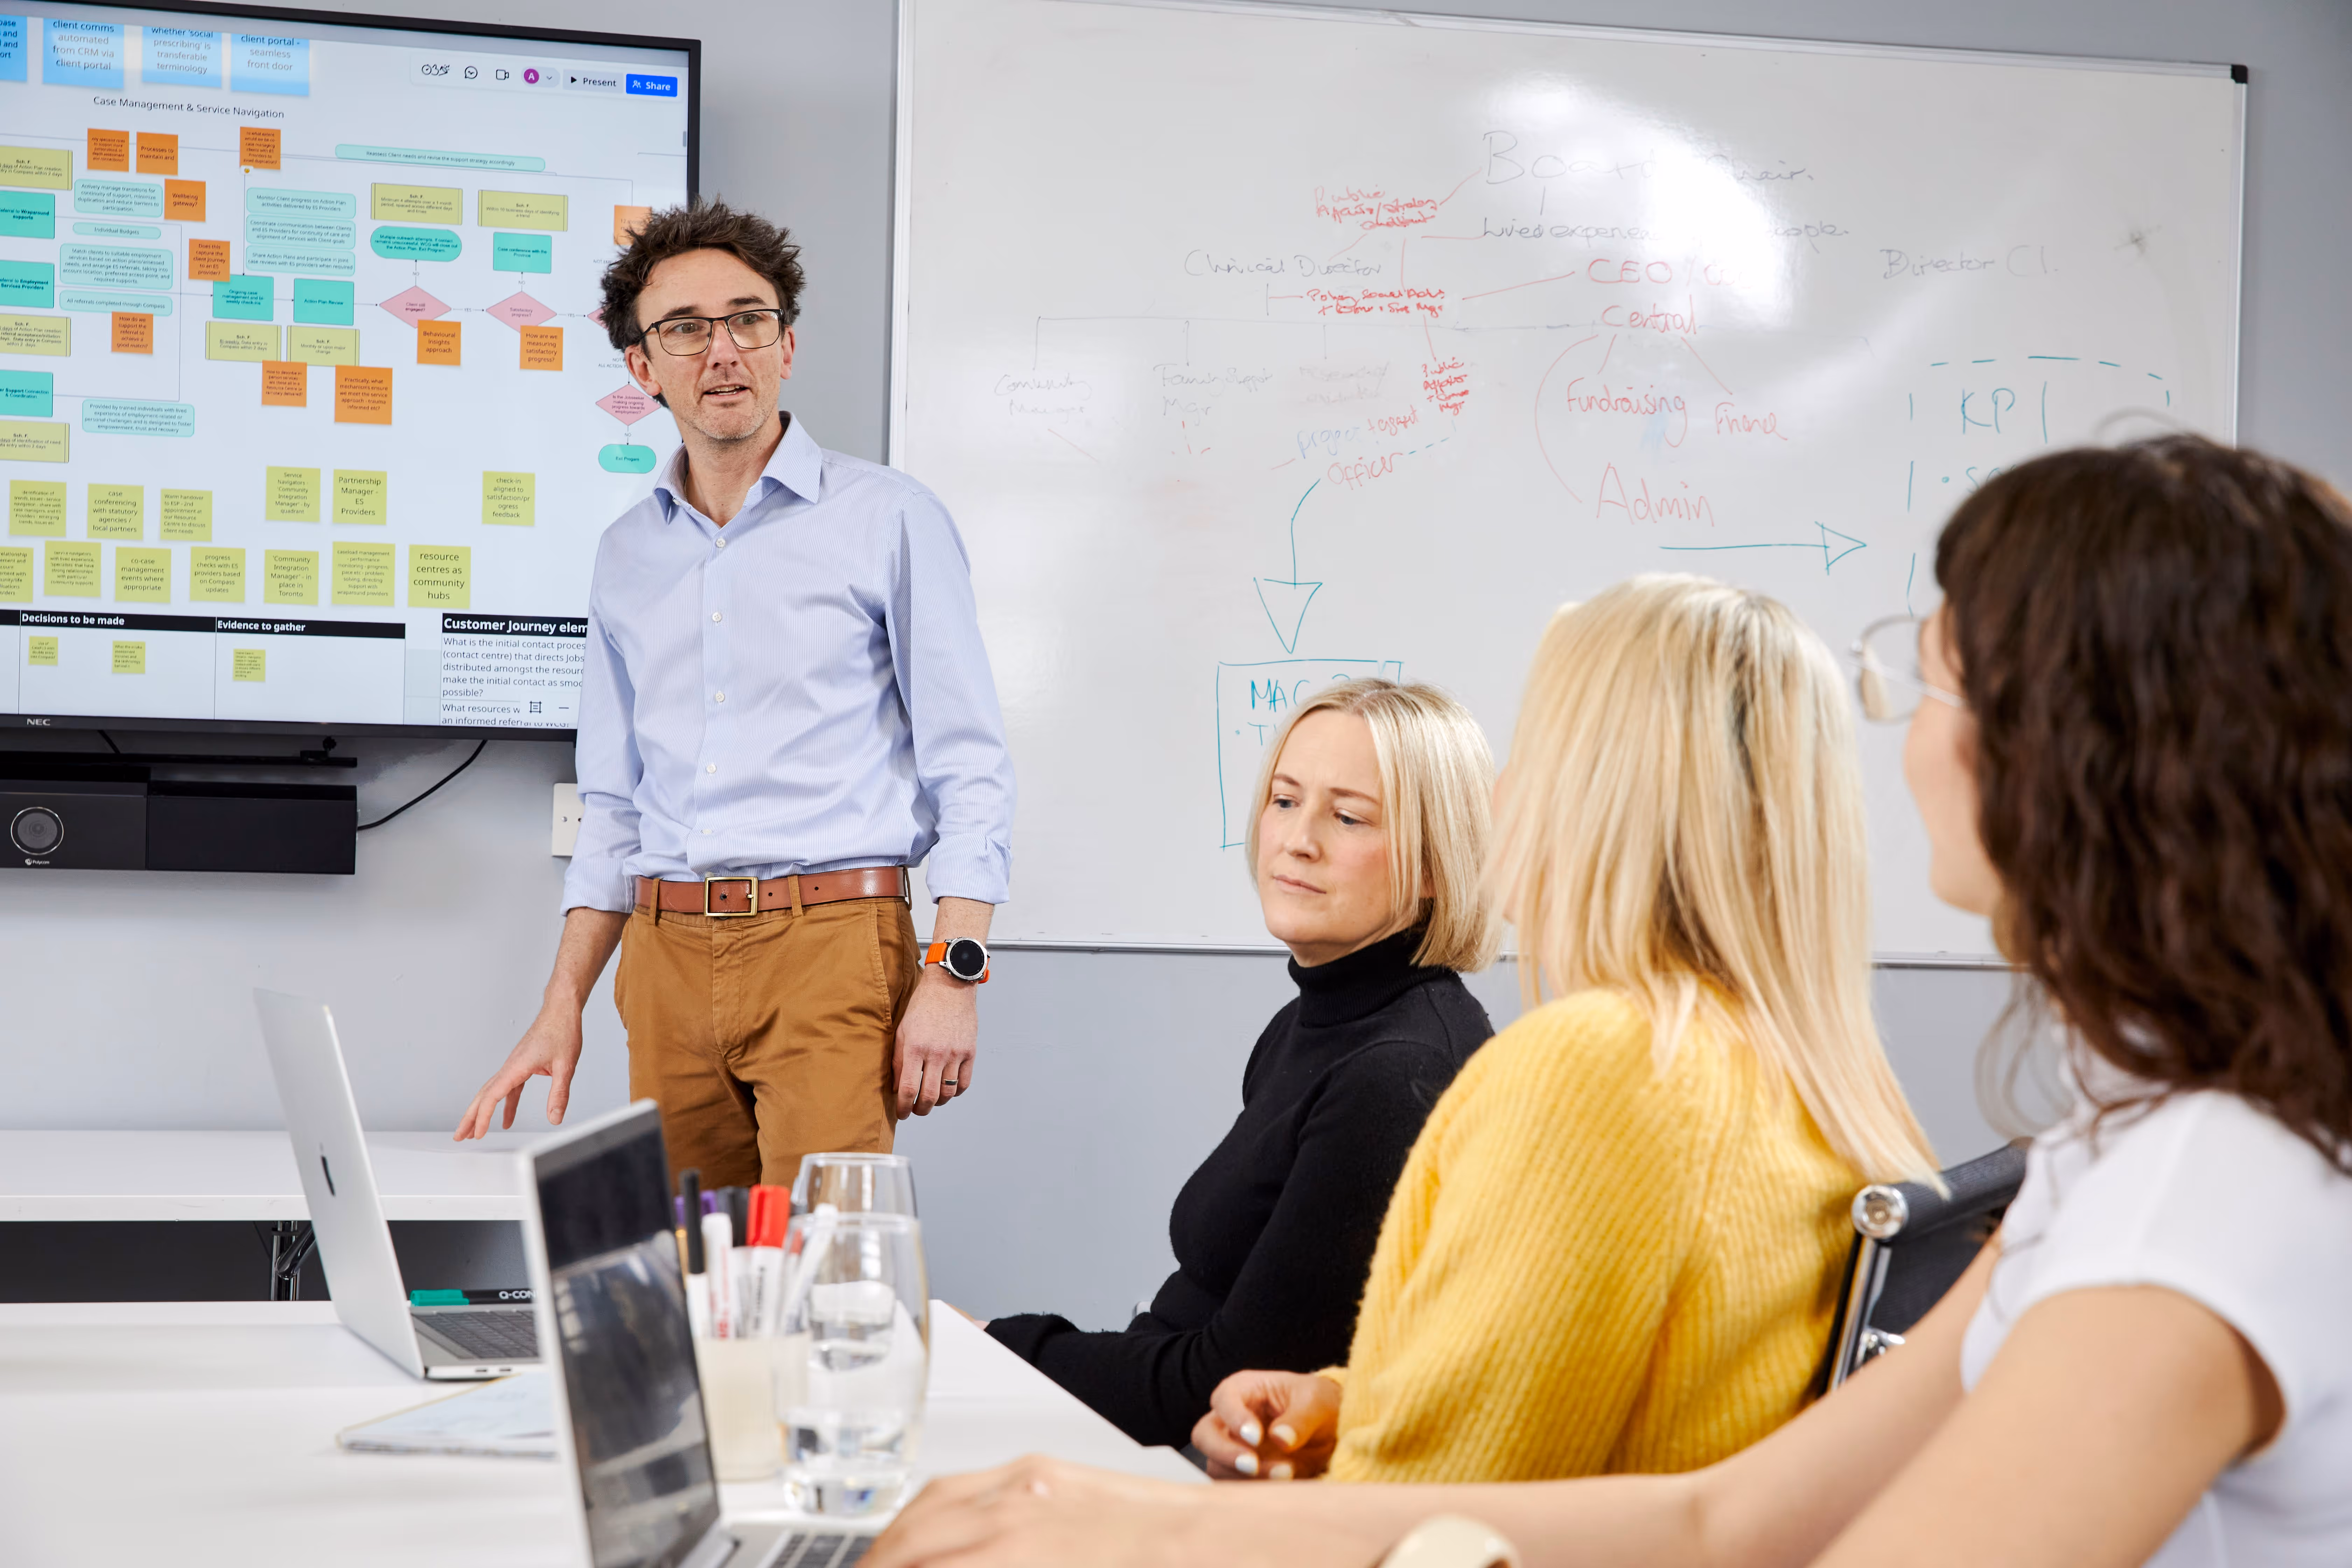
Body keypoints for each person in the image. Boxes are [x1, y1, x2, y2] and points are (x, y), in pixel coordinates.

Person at [868, 436, 2352, 1568]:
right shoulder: (2124, 1143)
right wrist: (1157, 1515)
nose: (1900, 746)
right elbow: (1722, 1518)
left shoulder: (2205, 1192)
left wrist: (1145, 1526)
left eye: (1936, 684)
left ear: (2086, 758)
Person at [1178, 576, 1937, 1489]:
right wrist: (1356, 1401)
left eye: (1533, 750)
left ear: (1603, 796)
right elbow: (1585, 1390)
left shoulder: (1603, 1066)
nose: (1498, 795)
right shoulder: (1800, 1070)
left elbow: (1431, 1513)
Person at [452, 201, 1015, 1191]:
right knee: (686, 1276)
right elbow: (616, 809)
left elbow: (970, 765)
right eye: (685, 330)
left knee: (816, 1274)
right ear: (642, 368)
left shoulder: (889, 519)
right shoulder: (626, 556)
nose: (723, 352)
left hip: (832, 942)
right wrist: (563, 1003)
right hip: (664, 958)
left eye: (748, 320)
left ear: (786, 344)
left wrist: (953, 971)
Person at [984, 679, 1497, 1448]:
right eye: (1285, 800)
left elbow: (1230, 1385)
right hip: (1164, 1428)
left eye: (1348, 816)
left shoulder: (1395, 1077)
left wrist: (1003, 1346)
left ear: (1433, 864)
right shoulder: (1308, 1022)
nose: (1297, 839)